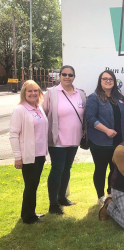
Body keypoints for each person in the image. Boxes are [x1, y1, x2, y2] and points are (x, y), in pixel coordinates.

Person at [42, 65, 86, 215]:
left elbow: (83, 115)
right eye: (64, 74)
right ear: (59, 76)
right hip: (57, 140)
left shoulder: (80, 94)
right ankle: (53, 204)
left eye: (70, 75)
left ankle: (62, 198)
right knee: (57, 169)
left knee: (67, 169)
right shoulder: (51, 93)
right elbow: (44, 114)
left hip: (74, 139)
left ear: (74, 77)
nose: (67, 77)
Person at [85, 70, 124, 205]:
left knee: (115, 169)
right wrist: (106, 130)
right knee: (101, 169)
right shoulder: (94, 97)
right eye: (105, 79)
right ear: (100, 81)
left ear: (114, 82)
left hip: (118, 141)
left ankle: (110, 193)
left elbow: (123, 115)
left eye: (111, 79)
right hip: (100, 141)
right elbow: (90, 118)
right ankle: (100, 196)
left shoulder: (119, 97)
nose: (108, 81)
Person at [9, 81, 48, 224]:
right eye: (29, 91)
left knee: (33, 184)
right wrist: (18, 157)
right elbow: (13, 134)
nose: (33, 94)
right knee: (31, 185)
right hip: (28, 155)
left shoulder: (38, 108)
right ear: (24, 93)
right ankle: (28, 216)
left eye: (36, 91)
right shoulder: (20, 110)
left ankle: (30, 211)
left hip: (39, 155)